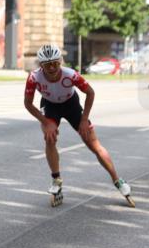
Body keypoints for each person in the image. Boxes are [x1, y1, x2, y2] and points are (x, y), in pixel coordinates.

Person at [24, 44, 134, 207]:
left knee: (93, 143)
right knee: (49, 138)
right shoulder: (34, 78)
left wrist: (84, 119)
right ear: (41, 66)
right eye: (48, 65)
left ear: (61, 61)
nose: (53, 68)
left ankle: (117, 180)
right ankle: (56, 179)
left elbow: (90, 92)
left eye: (56, 63)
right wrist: (45, 121)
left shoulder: (71, 75)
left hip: (71, 105)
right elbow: (28, 104)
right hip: (50, 106)